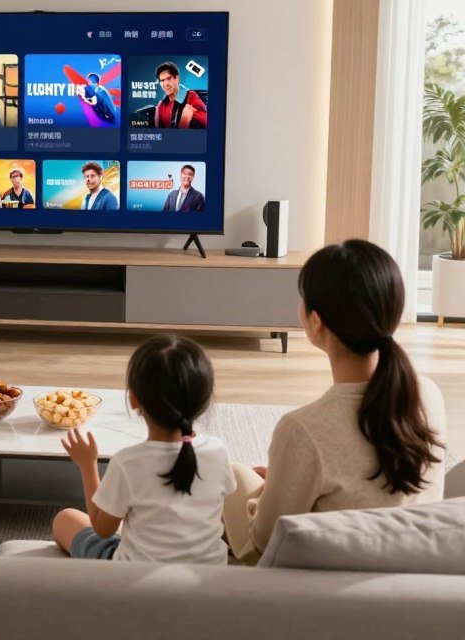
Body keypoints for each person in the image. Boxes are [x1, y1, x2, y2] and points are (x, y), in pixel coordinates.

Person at [223, 240, 447, 564]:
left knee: (230, 474)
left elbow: (263, 541)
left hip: (318, 585)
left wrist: (264, 494)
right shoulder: (428, 395)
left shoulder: (303, 430)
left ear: (316, 321)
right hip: (409, 566)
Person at [53, 334, 236, 563]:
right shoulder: (218, 451)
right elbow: (217, 515)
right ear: (205, 399)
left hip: (134, 578)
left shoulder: (127, 462)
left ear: (133, 399)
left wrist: (88, 465)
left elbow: (102, 529)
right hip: (206, 575)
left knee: (65, 519)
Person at [154, 62, 207, 129]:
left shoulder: (191, 96)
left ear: (177, 79)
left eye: (169, 79)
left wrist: (186, 120)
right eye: (162, 80)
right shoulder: (161, 106)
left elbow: (205, 123)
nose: (166, 84)